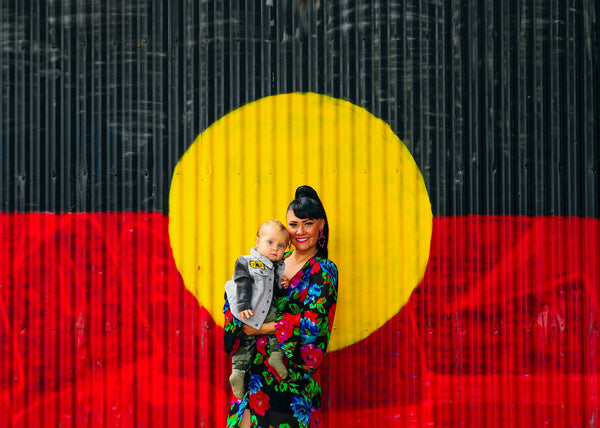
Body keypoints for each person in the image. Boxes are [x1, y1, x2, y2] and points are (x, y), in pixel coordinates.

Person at [223, 185, 339, 428]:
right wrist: (237, 310)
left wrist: (260, 328)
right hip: (252, 378)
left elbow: (313, 328)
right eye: (293, 224)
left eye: (307, 223)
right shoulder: (272, 261)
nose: (300, 231)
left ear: (321, 226)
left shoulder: (323, 270)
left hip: (289, 383)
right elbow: (240, 293)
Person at [225, 220, 291, 399]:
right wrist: (244, 305)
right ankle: (237, 372)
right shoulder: (247, 261)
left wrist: (282, 285)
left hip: (266, 308)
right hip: (248, 307)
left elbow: (272, 290)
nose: (275, 248)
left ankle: (276, 355)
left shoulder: (275, 267)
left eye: (281, 245)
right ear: (257, 242)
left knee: (279, 321)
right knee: (244, 341)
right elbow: (242, 283)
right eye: (270, 242)